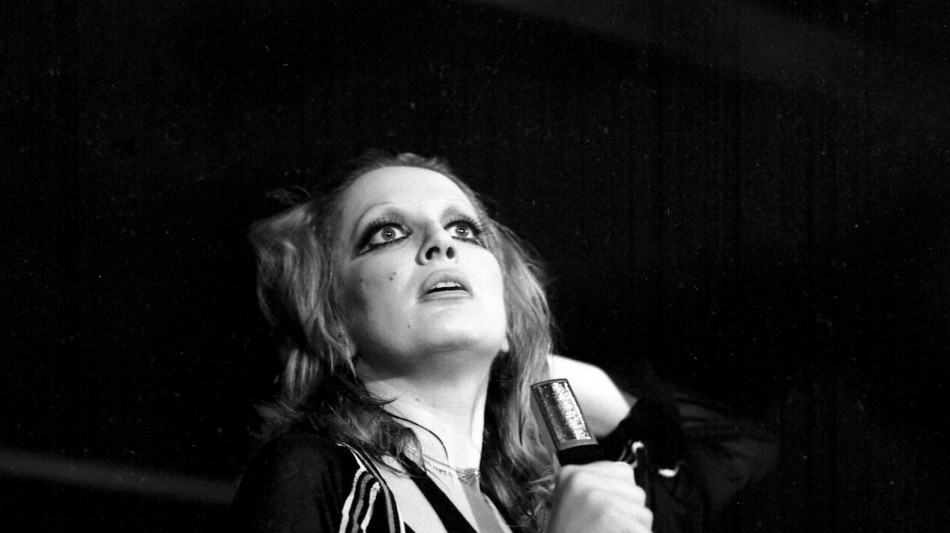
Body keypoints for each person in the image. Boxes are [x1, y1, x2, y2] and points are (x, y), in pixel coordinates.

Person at [229, 151, 777, 532]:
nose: (440, 243)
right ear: (333, 316)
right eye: (387, 233)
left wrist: (533, 362)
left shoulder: (542, 504)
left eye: (464, 230)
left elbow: (738, 448)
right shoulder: (314, 473)